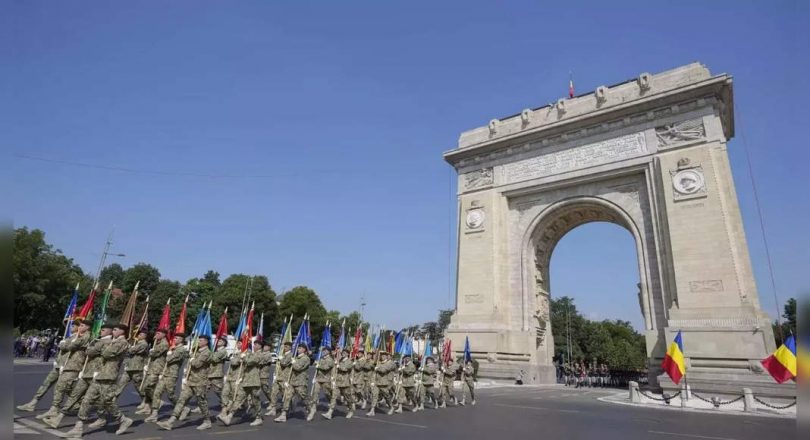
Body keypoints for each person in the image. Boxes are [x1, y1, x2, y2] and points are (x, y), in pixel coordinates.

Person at [64, 323, 133, 437]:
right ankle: (78, 427)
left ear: (122, 332)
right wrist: (104, 345)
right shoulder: (112, 341)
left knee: (108, 401)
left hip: (109, 376)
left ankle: (123, 419)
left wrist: (103, 345)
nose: (113, 332)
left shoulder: (122, 343)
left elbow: (106, 354)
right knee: (87, 400)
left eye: (115, 330)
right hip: (100, 374)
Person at [44, 323, 111, 429]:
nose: (101, 331)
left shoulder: (108, 342)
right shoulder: (98, 340)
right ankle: (58, 418)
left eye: (104, 330)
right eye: (101, 329)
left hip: (98, 373)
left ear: (110, 331)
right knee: (74, 395)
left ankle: (108, 417)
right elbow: (88, 351)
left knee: (96, 399)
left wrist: (88, 348)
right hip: (87, 371)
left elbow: (91, 352)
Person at [17, 323, 77, 413]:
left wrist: (63, 344)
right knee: (46, 383)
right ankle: (33, 403)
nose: (71, 327)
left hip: (67, 366)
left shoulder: (78, 338)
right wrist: (57, 360)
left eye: (74, 326)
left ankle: (73, 405)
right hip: (59, 365)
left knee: (65, 388)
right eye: (71, 325)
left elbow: (68, 349)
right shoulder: (69, 337)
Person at [157, 334, 212, 431]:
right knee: (181, 400)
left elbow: (197, 364)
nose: (199, 342)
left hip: (200, 382)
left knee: (202, 402)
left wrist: (192, 359)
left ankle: (207, 421)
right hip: (191, 381)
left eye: (201, 340)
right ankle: (170, 422)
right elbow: (188, 359)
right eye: (199, 340)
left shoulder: (207, 353)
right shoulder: (196, 351)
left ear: (206, 342)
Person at [220, 340, 265, 427]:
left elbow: (250, 362)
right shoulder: (251, 354)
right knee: (239, 399)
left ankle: (258, 418)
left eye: (256, 344)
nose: (254, 346)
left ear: (260, 346)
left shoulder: (260, 354)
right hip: (245, 380)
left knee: (255, 400)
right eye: (254, 344)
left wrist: (243, 357)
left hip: (254, 381)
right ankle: (229, 416)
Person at [145, 333, 187, 422]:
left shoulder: (181, 350)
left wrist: (169, 353)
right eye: (174, 337)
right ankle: (154, 414)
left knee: (170, 395)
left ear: (182, 340)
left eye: (177, 338)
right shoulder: (174, 349)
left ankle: (183, 408)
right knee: (157, 393)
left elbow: (169, 359)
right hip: (165, 373)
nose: (175, 339)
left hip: (172, 375)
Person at [274, 344, 315, 423]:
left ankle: (311, 409)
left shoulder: (305, 358)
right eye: (298, 348)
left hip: (300, 382)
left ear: (304, 350)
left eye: (300, 348)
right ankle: (283, 414)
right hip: (292, 381)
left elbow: (298, 368)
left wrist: (293, 362)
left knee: (303, 397)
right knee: (287, 396)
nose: (298, 349)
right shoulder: (296, 358)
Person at [135, 328, 169, 416]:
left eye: (158, 333)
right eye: (156, 333)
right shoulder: (157, 343)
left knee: (148, 386)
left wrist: (151, 351)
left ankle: (156, 401)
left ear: (164, 335)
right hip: (152, 367)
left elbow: (155, 354)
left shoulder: (164, 344)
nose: (156, 335)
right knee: (146, 387)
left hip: (157, 368)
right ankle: (147, 407)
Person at [115, 329, 149, 405]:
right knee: (121, 383)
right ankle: (113, 399)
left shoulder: (144, 344)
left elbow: (131, 351)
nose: (139, 336)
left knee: (139, 387)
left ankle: (147, 401)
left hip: (137, 368)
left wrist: (128, 347)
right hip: (130, 367)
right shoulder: (138, 343)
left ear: (145, 336)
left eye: (141, 335)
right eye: (139, 334)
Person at [322, 348, 355, 419]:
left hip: (345, 383)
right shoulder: (339, 360)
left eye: (345, 353)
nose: (343, 353)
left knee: (348, 398)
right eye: (343, 352)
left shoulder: (350, 361)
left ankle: (351, 410)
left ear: (348, 354)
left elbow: (345, 369)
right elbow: (335, 370)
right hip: (337, 382)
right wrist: (333, 378)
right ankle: (330, 412)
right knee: (334, 396)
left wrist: (339, 366)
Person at [265, 341, 292, 417]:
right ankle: (273, 409)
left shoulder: (290, 355)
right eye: (284, 346)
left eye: (286, 346)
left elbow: (284, 363)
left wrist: (281, 359)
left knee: (285, 394)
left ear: (290, 347)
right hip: (278, 377)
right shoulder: (283, 355)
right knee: (273, 392)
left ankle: (287, 409)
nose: (285, 348)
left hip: (284, 378)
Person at [366, 351, 396, 417]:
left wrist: (377, 368)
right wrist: (373, 382)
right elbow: (374, 373)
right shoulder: (379, 363)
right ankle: (372, 410)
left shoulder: (389, 364)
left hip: (384, 383)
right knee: (374, 395)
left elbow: (384, 370)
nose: (382, 357)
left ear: (386, 357)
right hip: (377, 383)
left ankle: (391, 407)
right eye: (381, 356)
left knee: (387, 396)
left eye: (384, 356)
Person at [207, 336, 229, 412]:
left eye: (221, 341)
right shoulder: (215, 351)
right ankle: (202, 406)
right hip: (210, 373)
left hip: (216, 374)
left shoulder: (223, 351)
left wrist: (207, 354)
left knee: (218, 391)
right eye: (218, 340)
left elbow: (214, 359)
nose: (219, 341)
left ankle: (226, 403)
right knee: (203, 390)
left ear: (224, 343)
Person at [311, 346, 334, 410]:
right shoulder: (321, 358)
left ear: (329, 352)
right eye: (323, 350)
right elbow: (316, 367)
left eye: (325, 350)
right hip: (318, 378)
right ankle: (314, 405)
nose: (324, 352)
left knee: (327, 393)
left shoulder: (330, 359)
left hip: (326, 379)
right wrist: (315, 363)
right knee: (315, 392)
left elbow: (326, 367)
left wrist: (318, 365)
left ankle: (331, 402)